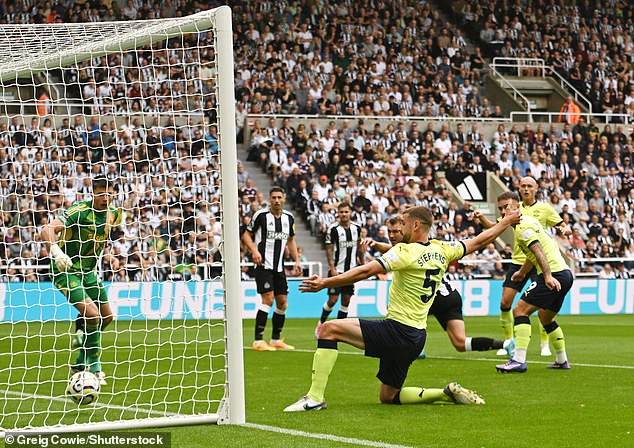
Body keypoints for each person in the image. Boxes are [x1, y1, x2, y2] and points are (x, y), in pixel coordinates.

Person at [284, 206, 521, 412]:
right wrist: (508, 222)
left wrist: (325, 282)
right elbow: (479, 240)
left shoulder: (404, 251)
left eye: (404, 223)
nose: (401, 228)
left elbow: (366, 271)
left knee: (328, 329)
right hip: (416, 337)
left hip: (397, 330)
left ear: (416, 225)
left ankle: (314, 398)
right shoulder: (442, 250)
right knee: (388, 397)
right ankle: (444, 393)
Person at [361, 216, 512, 358]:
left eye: (397, 232)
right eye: (390, 232)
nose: (392, 236)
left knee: (402, 313)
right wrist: (375, 244)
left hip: (433, 297)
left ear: (407, 229)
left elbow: (389, 253)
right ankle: (506, 344)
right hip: (451, 296)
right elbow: (389, 249)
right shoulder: (425, 245)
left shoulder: (408, 249)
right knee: (460, 343)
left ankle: (414, 348)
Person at [40, 177, 122, 385]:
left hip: (88, 272)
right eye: (101, 194)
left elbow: (103, 237)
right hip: (66, 270)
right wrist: (56, 252)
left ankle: (79, 360)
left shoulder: (114, 214)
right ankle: (94, 368)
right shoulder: (80, 211)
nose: (105, 198)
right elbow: (47, 229)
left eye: (109, 194)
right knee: (93, 314)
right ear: (93, 193)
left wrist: (109, 255)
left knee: (108, 317)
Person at [476, 178, 570, 357]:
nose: (526, 189)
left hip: (541, 264)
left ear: (536, 189)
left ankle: (537, 348)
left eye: (529, 186)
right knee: (506, 303)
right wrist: (481, 218)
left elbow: (550, 239)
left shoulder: (536, 214)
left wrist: (566, 230)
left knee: (525, 310)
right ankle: (511, 343)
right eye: (523, 186)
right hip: (524, 261)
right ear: (519, 189)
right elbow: (496, 227)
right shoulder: (513, 211)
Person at [495, 193, 574, 372]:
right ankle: (562, 360)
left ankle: (518, 360)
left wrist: (547, 276)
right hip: (565, 274)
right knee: (546, 318)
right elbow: (533, 254)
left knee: (519, 310)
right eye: (500, 208)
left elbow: (538, 251)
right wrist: (522, 273)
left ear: (516, 208)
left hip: (553, 273)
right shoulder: (527, 223)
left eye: (505, 207)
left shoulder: (523, 227)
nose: (502, 211)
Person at [242, 187, 302, 351]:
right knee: (268, 299)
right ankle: (258, 341)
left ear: (284, 199)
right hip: (263, 265)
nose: (276, 200)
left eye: (279, 197)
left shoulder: (289, 218)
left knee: (282, 303)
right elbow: (246, 235)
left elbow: (291, 240)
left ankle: (276, 340)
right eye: (273, 197)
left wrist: (297, 261)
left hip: (279, 268)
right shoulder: (261, 216)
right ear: (270, 199)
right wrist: (254, 251)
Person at [316, 202, 364, 338]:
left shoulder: (357, 228)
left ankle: (339, 330)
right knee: (332, 299)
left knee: (346, 300)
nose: (343, 214)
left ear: (350, 213)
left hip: (351, 271)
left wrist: (363, 264)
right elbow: (329, 249)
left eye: (346, 212)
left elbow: (360, 247)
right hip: (337, 270)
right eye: (341, 212)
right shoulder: (333, 229)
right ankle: (321, 324)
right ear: (338, 213)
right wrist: (332, 268)